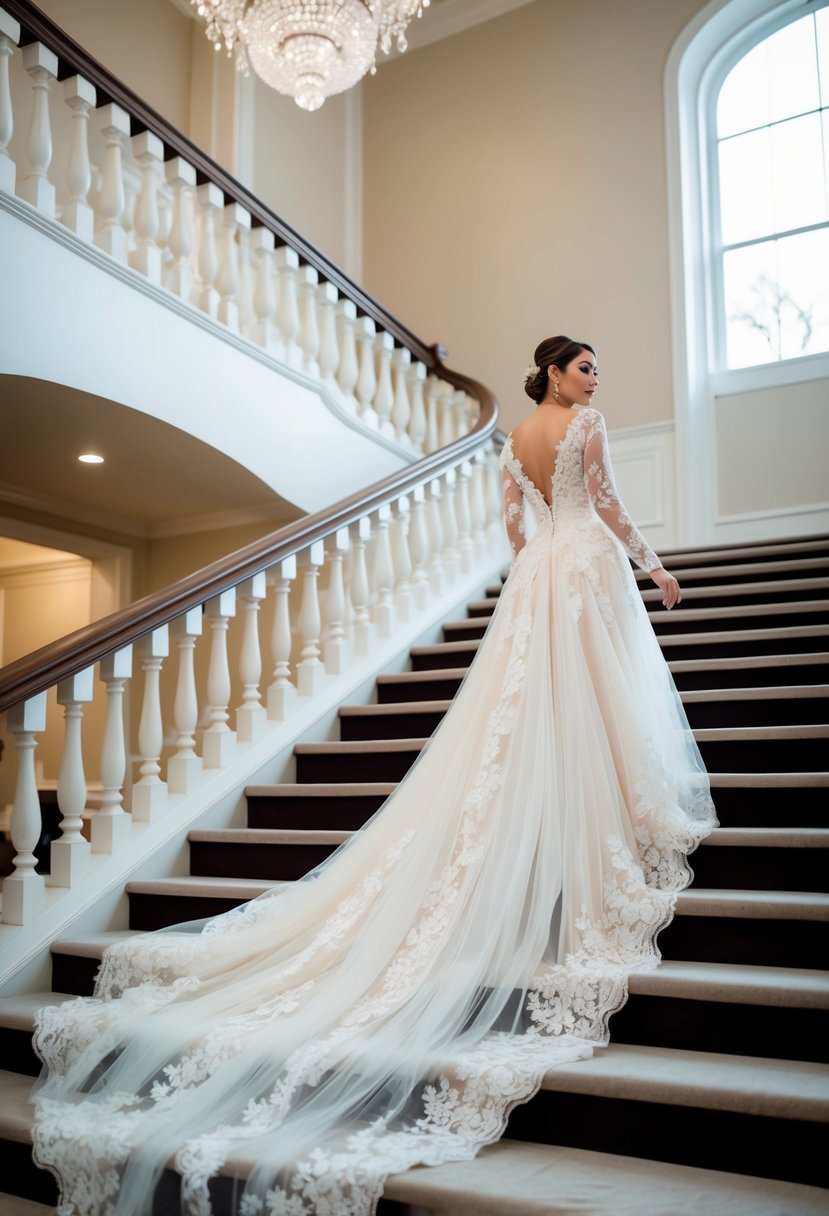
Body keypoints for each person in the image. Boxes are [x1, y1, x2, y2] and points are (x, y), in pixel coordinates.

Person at [31, 335, 716, 1216]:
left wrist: (537, 556)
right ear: (555, 372)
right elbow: (611, 502)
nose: (595, 376)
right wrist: (652, 563)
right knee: (598, 692)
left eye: (594, 368)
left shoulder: (512, 437)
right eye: (585, 365)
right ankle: (621, 813)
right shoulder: (586, 425)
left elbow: (513, 526)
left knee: (548, 702)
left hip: (540, 574)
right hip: (582, 562)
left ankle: (578, 816)